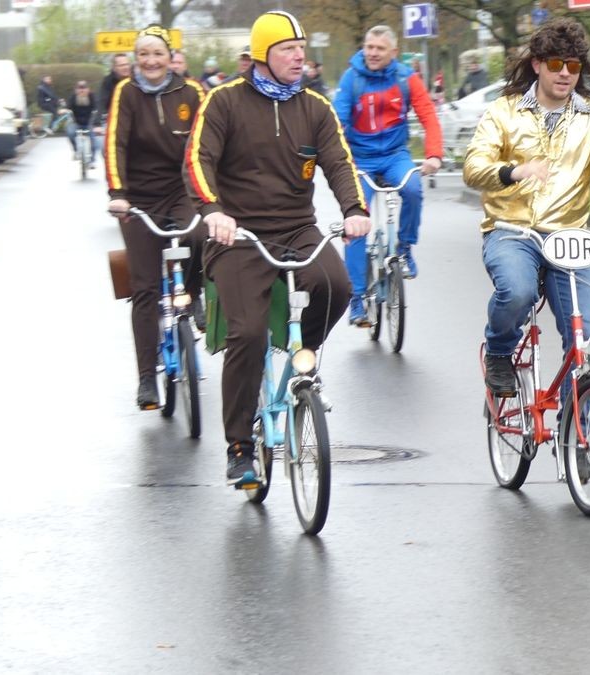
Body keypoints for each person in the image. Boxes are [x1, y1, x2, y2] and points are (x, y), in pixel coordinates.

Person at [186, 10, 371, 486]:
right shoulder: (224, 101)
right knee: (246, 335)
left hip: (296, 229)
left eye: (301, 49)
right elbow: (198, 159)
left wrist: (354, 208)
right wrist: (212, 211)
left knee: (336, 285)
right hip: (239, 234)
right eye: (288, 49)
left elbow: (339, 160)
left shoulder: (314, 107)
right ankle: (239, 446)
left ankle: (300, 363)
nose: (298, 57)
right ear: (263, 55)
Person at [462, 17, 590, 403]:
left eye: (574, 66)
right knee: (517, 291)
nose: (565, 74)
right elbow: (473, 169)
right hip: (512, 230)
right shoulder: (504, 111)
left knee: (588, 337)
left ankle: (573, 428)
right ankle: (499, 350)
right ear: (537, 65)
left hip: (568, 237)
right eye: (556, 64)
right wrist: (514, 171)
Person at [106, 25, 208, 410]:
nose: (150, 61)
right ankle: (147, 378)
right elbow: (114, 143)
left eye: (157, 54)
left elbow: (208, 143)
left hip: (181, 191)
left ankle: (193, 295)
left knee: (200, 236)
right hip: (138, 200)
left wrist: (214, 191)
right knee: (145, 287)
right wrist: (118, 194)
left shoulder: (192, 92)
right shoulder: (126, 93)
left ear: (170, 57)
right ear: (136, 59)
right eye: (143, 54)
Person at [332, 24, 443, 325]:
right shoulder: (352, 78)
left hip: (395, 156)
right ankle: (356, 299)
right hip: (361, 159)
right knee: (356, 223)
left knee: (413, 189)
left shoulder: (407, 78)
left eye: (379, 48)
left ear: (393, 52)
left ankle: (404, 248)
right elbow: (337, 120)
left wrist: (433, 154)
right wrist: (336, 155)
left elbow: (428, 115)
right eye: (369, 47)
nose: (372, 53)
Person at [65, 80, 103, 168]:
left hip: (89, 122)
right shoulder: (73, 97)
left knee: (95, 140)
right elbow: (68, 107)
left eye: (84, 88)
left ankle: (92, 160)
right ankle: (76, 151)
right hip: (76, 122)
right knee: (70, 133)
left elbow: (97, 107)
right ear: (76, 90)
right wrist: (65, 110)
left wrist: (97, 116)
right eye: (79, 88)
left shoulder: (92, 97)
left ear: (88, 89)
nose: (82, 91)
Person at [98, 53, 132, 120]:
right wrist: (97, 122)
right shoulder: (108, 81)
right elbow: (102, 101)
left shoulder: (136, 79)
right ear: (114, 68)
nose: (126, 67)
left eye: (127, 64)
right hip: (115, 117)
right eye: (121, 65)